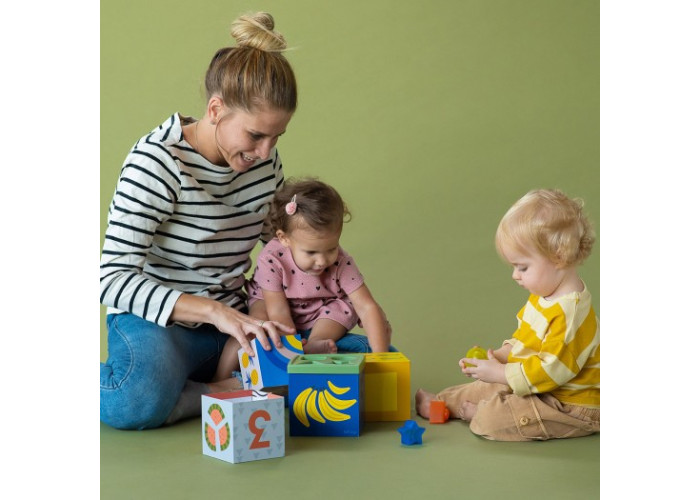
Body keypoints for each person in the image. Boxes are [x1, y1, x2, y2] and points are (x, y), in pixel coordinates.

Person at [100, 12, 302, 430]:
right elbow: (112, 279)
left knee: (347, 354)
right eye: (255, 135)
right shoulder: (157, 161)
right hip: (160, 325)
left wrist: (290, 303)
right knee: (132, 401)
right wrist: (215, 312)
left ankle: (201, 389)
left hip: (232, 324)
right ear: (215, 109)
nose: (265, 153)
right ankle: (224, 390)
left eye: (276, 137)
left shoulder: (264, 164)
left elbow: (277, 248)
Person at [415, 189, 600, 441]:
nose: (515, 275)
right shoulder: (544, 295)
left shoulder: (571, 313)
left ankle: (479, 413)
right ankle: (443, 402)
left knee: (493, 418)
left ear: (558, 257)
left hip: (568, 404)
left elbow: (550, 371)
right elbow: (525, 340)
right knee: (486, 385)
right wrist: (499, 358)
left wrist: (501, 374)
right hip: (537, 385)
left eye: (522, 267)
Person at [213, 178, 394, 381]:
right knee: (255, 327)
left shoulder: (342, 262)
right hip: (273, 303)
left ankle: (315, 343)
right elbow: (278, 312)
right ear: (284, 238)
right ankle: (219, 380)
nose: (322, 261)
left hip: (321, 307)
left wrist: (381, 358)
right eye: (311, 252)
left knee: (345, 307)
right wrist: (291, 349)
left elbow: (367, 307)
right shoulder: (272, 258)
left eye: (331, 249)